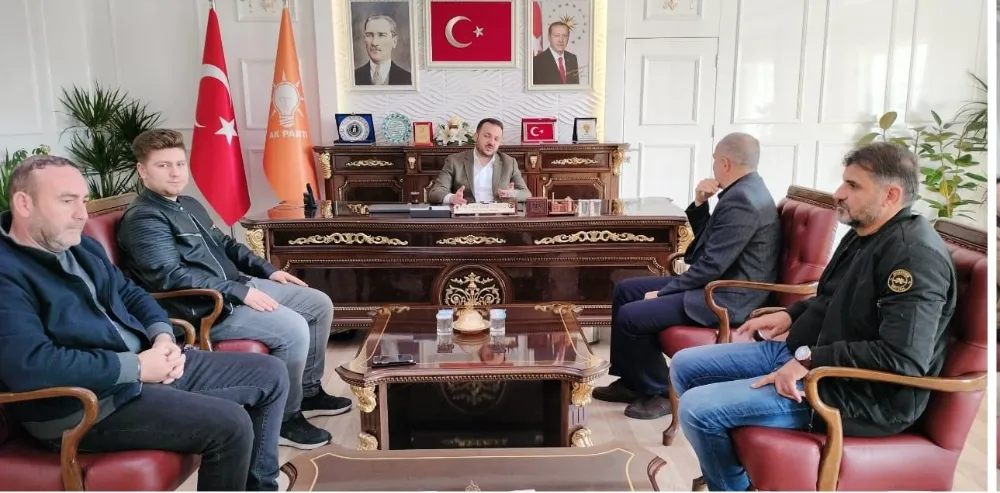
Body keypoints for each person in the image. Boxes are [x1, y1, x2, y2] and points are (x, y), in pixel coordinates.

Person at [670, 142, 957, 491]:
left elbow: (903, 358)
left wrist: (810, 360)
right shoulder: (866, 233)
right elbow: (832, 297)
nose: (838, 193)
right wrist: (791, 315)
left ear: (891, 195)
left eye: (853, 185)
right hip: (810, 357)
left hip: (855, 394)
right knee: (685, 365)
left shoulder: (913, 256)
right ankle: (730, 470)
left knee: (697, 409)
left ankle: (731, 484)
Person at [0, 155, 290, 491]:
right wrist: (136, 367)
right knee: (231, 424)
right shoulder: (7, 271)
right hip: (84, 405)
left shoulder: (79, 246)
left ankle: (260, 488)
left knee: (271, 374)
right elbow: (31, 365)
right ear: (24, 203)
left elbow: (131, 293)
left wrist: (162, 337)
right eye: (67, 201)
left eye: (83, 200)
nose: (82, 214)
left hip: (142, 366)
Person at [116, 129, 351, 451]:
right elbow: (169, 277)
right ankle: (284, 419)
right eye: (163, 165)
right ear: (142, 171)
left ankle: (308, 392)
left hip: (234, 287)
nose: (175, 173)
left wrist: (269, 271)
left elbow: (226, 244)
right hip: (205, 308)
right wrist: (239, 293)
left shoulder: (188, 203)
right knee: (293, 327)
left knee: (318, 303)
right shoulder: (144, 218)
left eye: (180, 164)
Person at [592, 132, 781, 420]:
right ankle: (632, 381)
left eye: (715, 160)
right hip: (718, 282)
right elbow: (704, 250)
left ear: (725, 163)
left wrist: (665, 293)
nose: (713, 166)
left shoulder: (742, 200)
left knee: (633, 314)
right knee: (626, 290)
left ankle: (661, 391)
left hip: (728, 295)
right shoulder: (746, 190)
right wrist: (701, 203)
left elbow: (711, 266)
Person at [426, 118, 531, 205]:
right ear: (476, 137)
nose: (491, 142)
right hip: (466, 218)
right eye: (487, 136)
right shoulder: (455, 161)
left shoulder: (509, 163)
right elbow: (435, 192)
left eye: (496, 139)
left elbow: (526, 194)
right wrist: (452, 198)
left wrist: (513, 194)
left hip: (498, 218)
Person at [354, 14, 412, 86]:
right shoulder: (353, 78)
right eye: (369, 35)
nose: (374, 43)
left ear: (394, 41)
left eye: (381, 35)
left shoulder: (408, 79)